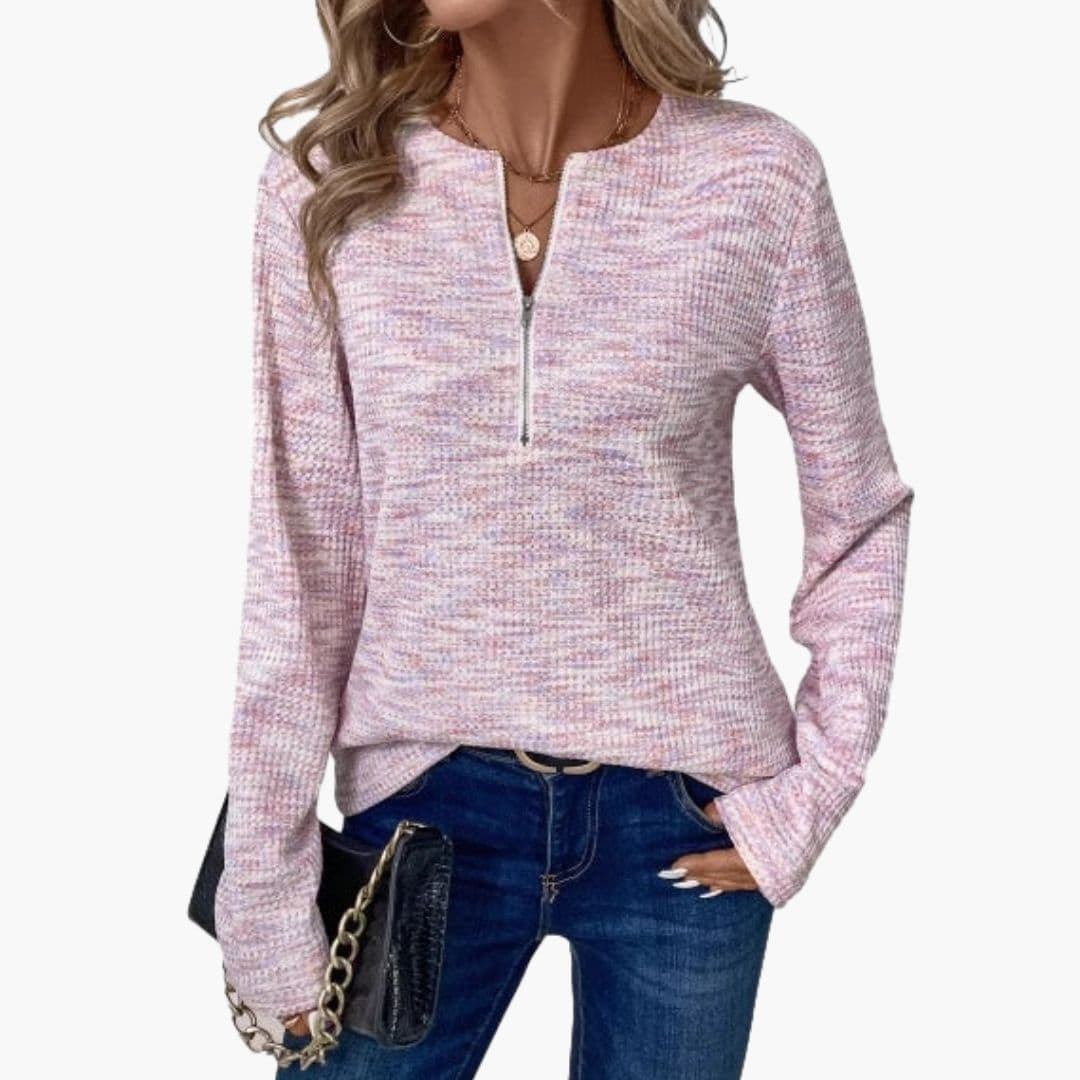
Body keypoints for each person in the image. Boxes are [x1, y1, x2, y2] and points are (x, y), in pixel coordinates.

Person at [212, 0, 915, 1075]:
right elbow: (301, 551)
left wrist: (810, 796)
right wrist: (263, 878)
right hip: (422, 807)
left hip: (686, 814)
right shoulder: (328, 186)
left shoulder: (755, 180)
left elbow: (859, 511)